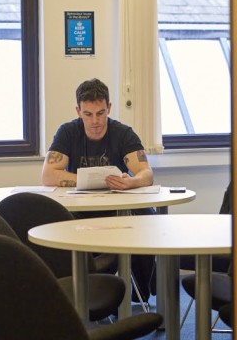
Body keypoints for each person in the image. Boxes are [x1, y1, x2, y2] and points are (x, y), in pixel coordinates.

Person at [42, 78, 156, 302]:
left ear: (109, 108)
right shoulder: (67, 132)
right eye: (88, 114)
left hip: (117, 211)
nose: (95, 121)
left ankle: (139, 290)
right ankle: (82, 291)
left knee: (147, 218)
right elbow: (48, 175)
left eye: (101, 113)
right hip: (80, 212)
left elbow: (146, 173)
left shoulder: (123, 133)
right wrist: (84, 179)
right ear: (78, 111)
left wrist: (131, 181)